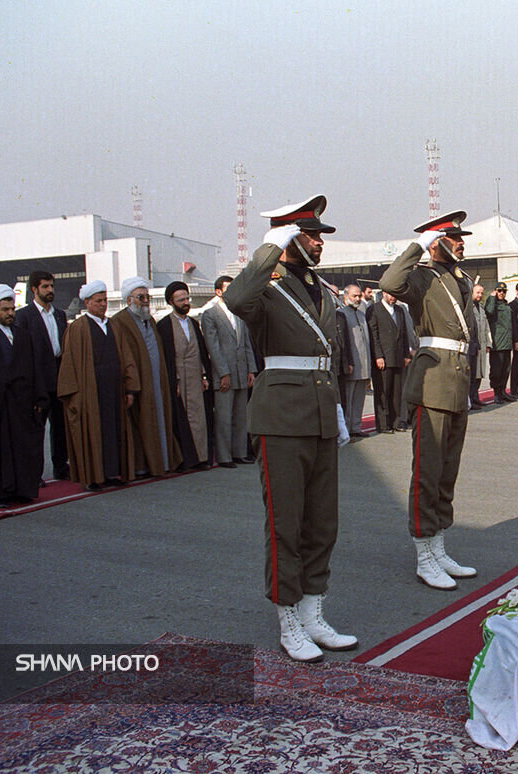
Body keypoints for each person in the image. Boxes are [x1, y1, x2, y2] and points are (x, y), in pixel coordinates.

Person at [223, 193, 356, 663]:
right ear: (290, 238)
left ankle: (314, 613)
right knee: (285, 524)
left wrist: (336, 406)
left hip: (320, 411)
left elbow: (327, 353)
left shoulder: (318, 285)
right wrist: (269, 249)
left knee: (322, 521)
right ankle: (288, 620)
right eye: (312, 235)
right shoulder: (268, 285)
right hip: (281, 418)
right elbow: (236, 298)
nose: (320, 243)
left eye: (319, 235)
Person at [379, 210, 479, 590]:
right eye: (454, 238)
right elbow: (390, 281)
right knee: (427, 471)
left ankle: (439, 546)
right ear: (437, 244)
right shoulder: (421, 276)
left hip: (456, 379)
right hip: (432, 381)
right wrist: (420, 243)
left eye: (461, 237)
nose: (462, 242)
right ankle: (423, 554)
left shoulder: (461, 278)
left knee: (446, 470)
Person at [0, 285, 47, 508]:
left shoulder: (22, 335)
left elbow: (34, 368)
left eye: (12, 309)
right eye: (5, 309)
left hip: (21, 404)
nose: (10, 314)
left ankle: (22, 489)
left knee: (22, 447)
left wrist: (39, 398)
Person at [58, 281, 131, 489]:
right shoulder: (77, 329)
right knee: (93, 434)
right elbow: (70, 363)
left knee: (113, 431)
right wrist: (75, 396)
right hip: (90, 392)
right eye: (98, 301)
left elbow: (126, 358)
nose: (103, 305)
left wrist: (129, 387)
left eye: (105, 301)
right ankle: (94, 478)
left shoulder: (113, 326)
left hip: (113, 391)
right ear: (87, 303)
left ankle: (111, 474)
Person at [111, 276, 182, 477]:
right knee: (141, 422)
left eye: (147, 296)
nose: (145, 301)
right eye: (140, 297)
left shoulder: (149, 319)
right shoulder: (119, 322)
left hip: (157, 382)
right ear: (129, 300)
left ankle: (163, 462)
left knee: (160, 419)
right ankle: (144, 465)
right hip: (138, 384)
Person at [14, 271, 69, 479]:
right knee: (35, 430)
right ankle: (33, 474)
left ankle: (61, 467)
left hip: (59, 379)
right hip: (37, 381)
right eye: (45, 287)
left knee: (60, 428)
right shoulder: (24, 317)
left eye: (52, 286)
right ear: (34, 289)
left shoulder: (60, 315)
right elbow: (22, 354)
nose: (50, 290)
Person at [201, 276, 257, 467]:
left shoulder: (239, 314)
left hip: (242, 372)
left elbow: (246, 343)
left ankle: (239, 453)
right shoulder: (210, 314)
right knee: (224, 417)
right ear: (218, 292)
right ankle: (224, 456)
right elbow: (213, 347)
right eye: (228, 288)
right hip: (224, 374)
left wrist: (251, 369)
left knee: (241, 416)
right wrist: (223, 373)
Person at [157, 281, 213, 469]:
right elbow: (165, 356)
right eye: (180, 300)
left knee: (199, 418)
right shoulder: (164, 326)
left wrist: (204, 376)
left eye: (186, 298)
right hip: (178, 379)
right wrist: (174, 382)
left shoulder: (193, 324)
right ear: (171, 302)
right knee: (181, 419)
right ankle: (184, 460)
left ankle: (202, 458)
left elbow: (201, 352)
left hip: (196, 378)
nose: (185, 302)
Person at [367, 289, 411, 433]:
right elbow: (374, 335)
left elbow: (404, 334)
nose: (394, 299)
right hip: (383, 359)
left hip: (398, 357)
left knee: (396, 392)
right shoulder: (374, 309)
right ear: (384, 293)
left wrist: (406, 355)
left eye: (396, 296)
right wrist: (378, 356)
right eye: (392, 295)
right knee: (383, 391)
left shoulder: (399, 310)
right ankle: (383, 424)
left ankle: (396, 422)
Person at [338, 284, 373, 439]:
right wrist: (348, 362)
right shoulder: (341, 314)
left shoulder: (361, 313)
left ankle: (356, 426)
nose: (358, 299)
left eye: (359, 296)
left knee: (360, 397)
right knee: (349, 398)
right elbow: (344, 343)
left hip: (364, 362)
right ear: (346, 296)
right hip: (351, 364)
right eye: (354, 296)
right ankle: (346, 429)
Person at [484, 282, 516, 402]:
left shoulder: (507, 306)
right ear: (495, 291)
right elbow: (489, 312)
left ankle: (503, 391)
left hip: (507, 342)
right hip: (497, 343)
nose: (502, 293)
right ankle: (496, 393)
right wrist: (492, 297)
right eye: (499, 291)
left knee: (505, 369)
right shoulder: (492, 303)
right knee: (496, 370)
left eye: (504, 291)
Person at [468, 283, 490, 407]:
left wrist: (488, 344)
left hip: (482, 345)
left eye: (481, 293)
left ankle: (476, 397)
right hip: (473, 346)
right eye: (478, 292)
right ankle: (470, 399)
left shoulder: (481, 308)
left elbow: (485, 327)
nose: (480, 295)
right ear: (472, 293)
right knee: (472, 375)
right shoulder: (469, 308)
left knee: (480, 373)